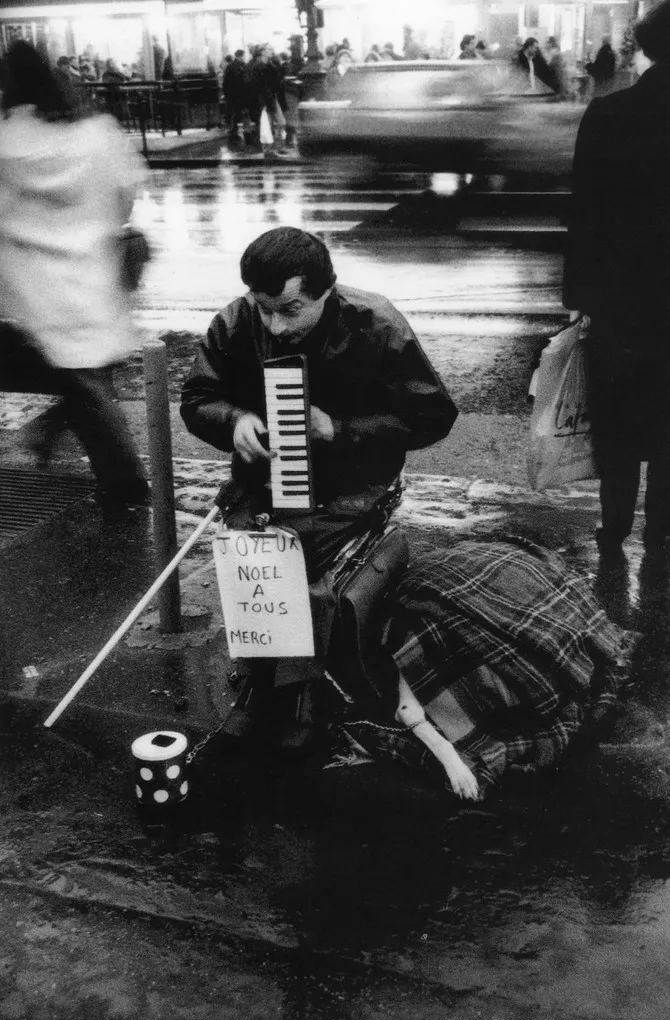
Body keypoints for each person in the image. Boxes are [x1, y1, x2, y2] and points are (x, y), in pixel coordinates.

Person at [180, 227, 457, 751]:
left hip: (353, 484)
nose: (273, 324)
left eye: (289, 309)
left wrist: (340, 429)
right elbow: (197, 398)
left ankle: (303, 691)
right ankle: (261, 678)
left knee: (302, 562)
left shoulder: (376, 324)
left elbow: (433, 416)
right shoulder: (238, 320)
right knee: (253, 555)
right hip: (263, 481)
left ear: (327, 290)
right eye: (263, 308)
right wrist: (234, 420)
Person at [368, 535, 637, 800]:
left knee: (536, 619)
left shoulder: (419, 640)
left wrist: (451, 759)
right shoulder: (416, 647)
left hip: (452, 576)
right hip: (447, 578)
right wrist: (451, 760)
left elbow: (408, 711)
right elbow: (408, 711)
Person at [0, 41, 149, 508]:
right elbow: (127, 192)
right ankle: (127, 489)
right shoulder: (96, 133)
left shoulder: (5, 140)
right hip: (92, 275)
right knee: (89, 381)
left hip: (33, 284)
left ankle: (50, 437)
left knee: (80, 380)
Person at [563, 0, 670, 556]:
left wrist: (578, 298)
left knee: (621, 423)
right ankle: (663, 532)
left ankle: (615, 528)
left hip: (620, 301)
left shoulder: (607, 116)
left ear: (646, 49)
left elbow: (584, 216)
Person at [222, 49, 247, 146]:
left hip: (235, 94)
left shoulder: (232, 66)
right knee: (235, 113)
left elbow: (226, 82)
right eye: (243, 56)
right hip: (237, 95)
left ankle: (234, 131)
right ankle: (233, 132)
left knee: (235, 113)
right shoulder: (239, 66)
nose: (243, 58)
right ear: (240, 56)